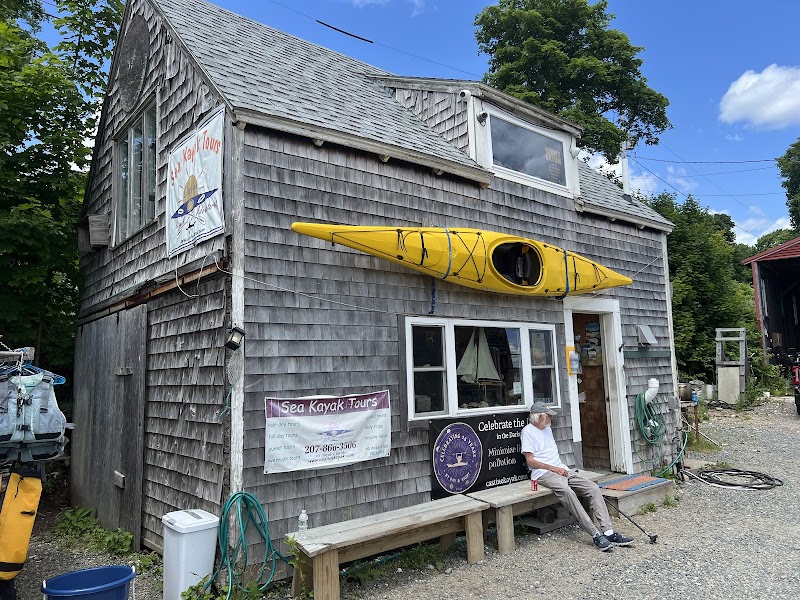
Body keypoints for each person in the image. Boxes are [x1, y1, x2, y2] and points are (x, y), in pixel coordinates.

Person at [521, 402, 634, 551]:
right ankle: (595, 534)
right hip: (543, 473)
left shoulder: (547, 429)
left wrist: (560, 469)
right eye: (548, 416)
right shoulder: (527, 432)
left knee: (593, 487)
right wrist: (553, 469)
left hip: (561, 470)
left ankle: (608, 532)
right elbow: (530, 461)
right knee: (568, 492)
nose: (551, 419)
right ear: (539, 417)